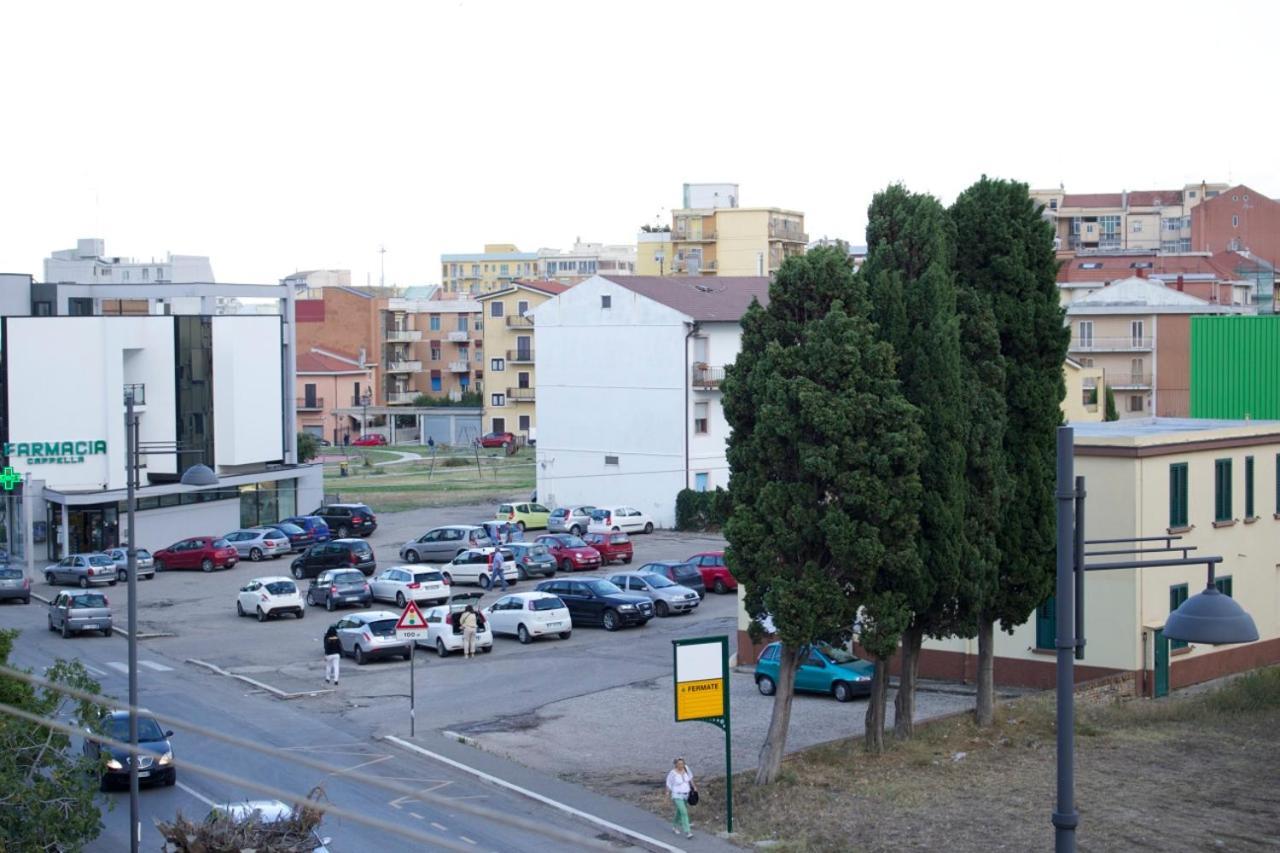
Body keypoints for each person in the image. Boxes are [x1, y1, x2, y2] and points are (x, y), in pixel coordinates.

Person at [665, 757, 694, 838]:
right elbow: (668, 783)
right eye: (679, 764)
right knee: (684, 812)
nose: (681, 765)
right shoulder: (672, 773)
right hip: (677, 795)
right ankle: (688, 832)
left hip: (686, 794)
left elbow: (690, 778)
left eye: (682, 763)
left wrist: (694, 787)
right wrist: (667, 793)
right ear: (676, 765)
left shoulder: (686, 769)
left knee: (679, 812)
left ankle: (674, 826)